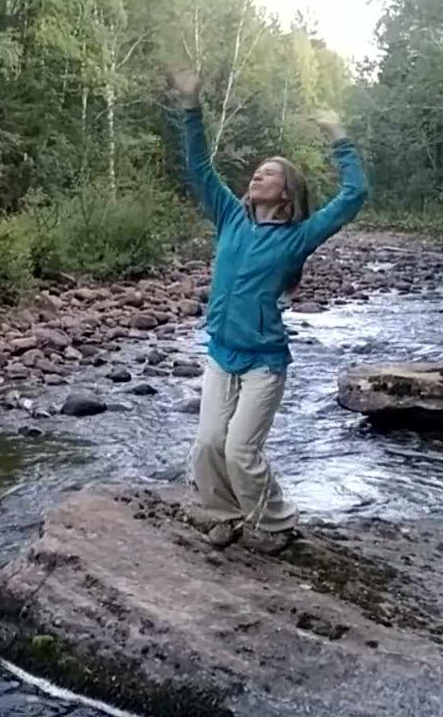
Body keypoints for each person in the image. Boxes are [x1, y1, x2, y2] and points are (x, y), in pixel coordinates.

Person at [162, 67, 368, 554]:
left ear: (287, 191)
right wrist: (191, 107)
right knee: (209, 445)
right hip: (221, 351)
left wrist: (339, 136)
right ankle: (224, 515)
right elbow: (199, 169)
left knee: (240, 450)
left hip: (264, 360)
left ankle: (275, 522)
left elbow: (353, 196)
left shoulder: (300, 236)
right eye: (257, 170)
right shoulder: (231, 216)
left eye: (269, 172)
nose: (258, 174)